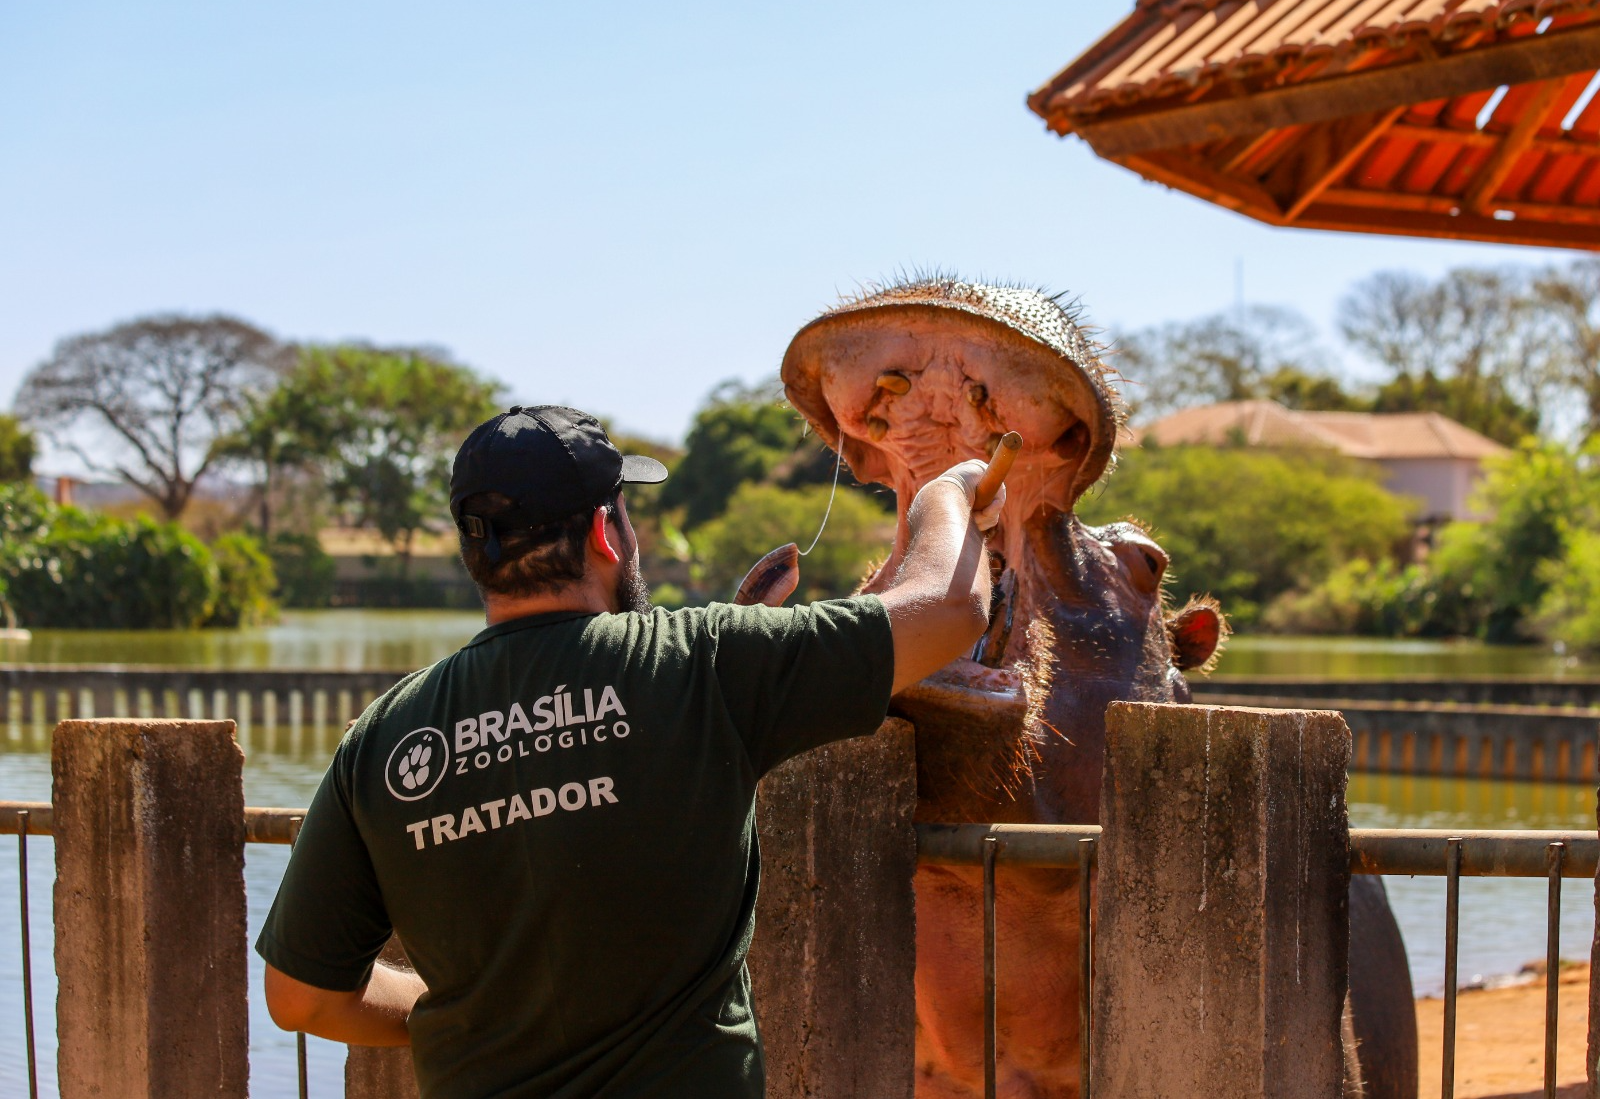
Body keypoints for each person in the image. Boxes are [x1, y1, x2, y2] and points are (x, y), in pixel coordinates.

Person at [258, 404, 1003, 1097]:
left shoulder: (385, 736)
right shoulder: (700, 661)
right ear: (605, 532)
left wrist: (468, 1008)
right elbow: (945, 609)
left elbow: (300, 995)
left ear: (474, 553)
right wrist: (950, 490)